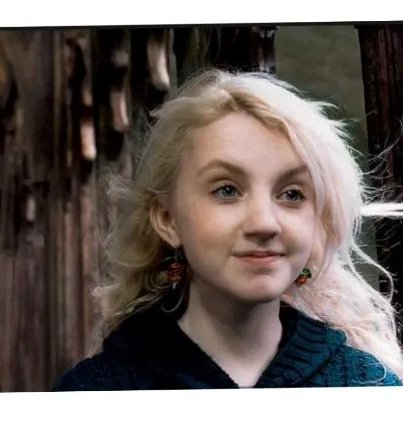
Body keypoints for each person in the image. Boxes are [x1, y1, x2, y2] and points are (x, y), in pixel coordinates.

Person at [53, 68, 403, 390]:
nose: (264, 223)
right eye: (227, 190)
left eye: (292, 194)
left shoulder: (371, 389)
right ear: (167, 219)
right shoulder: (92, 392)